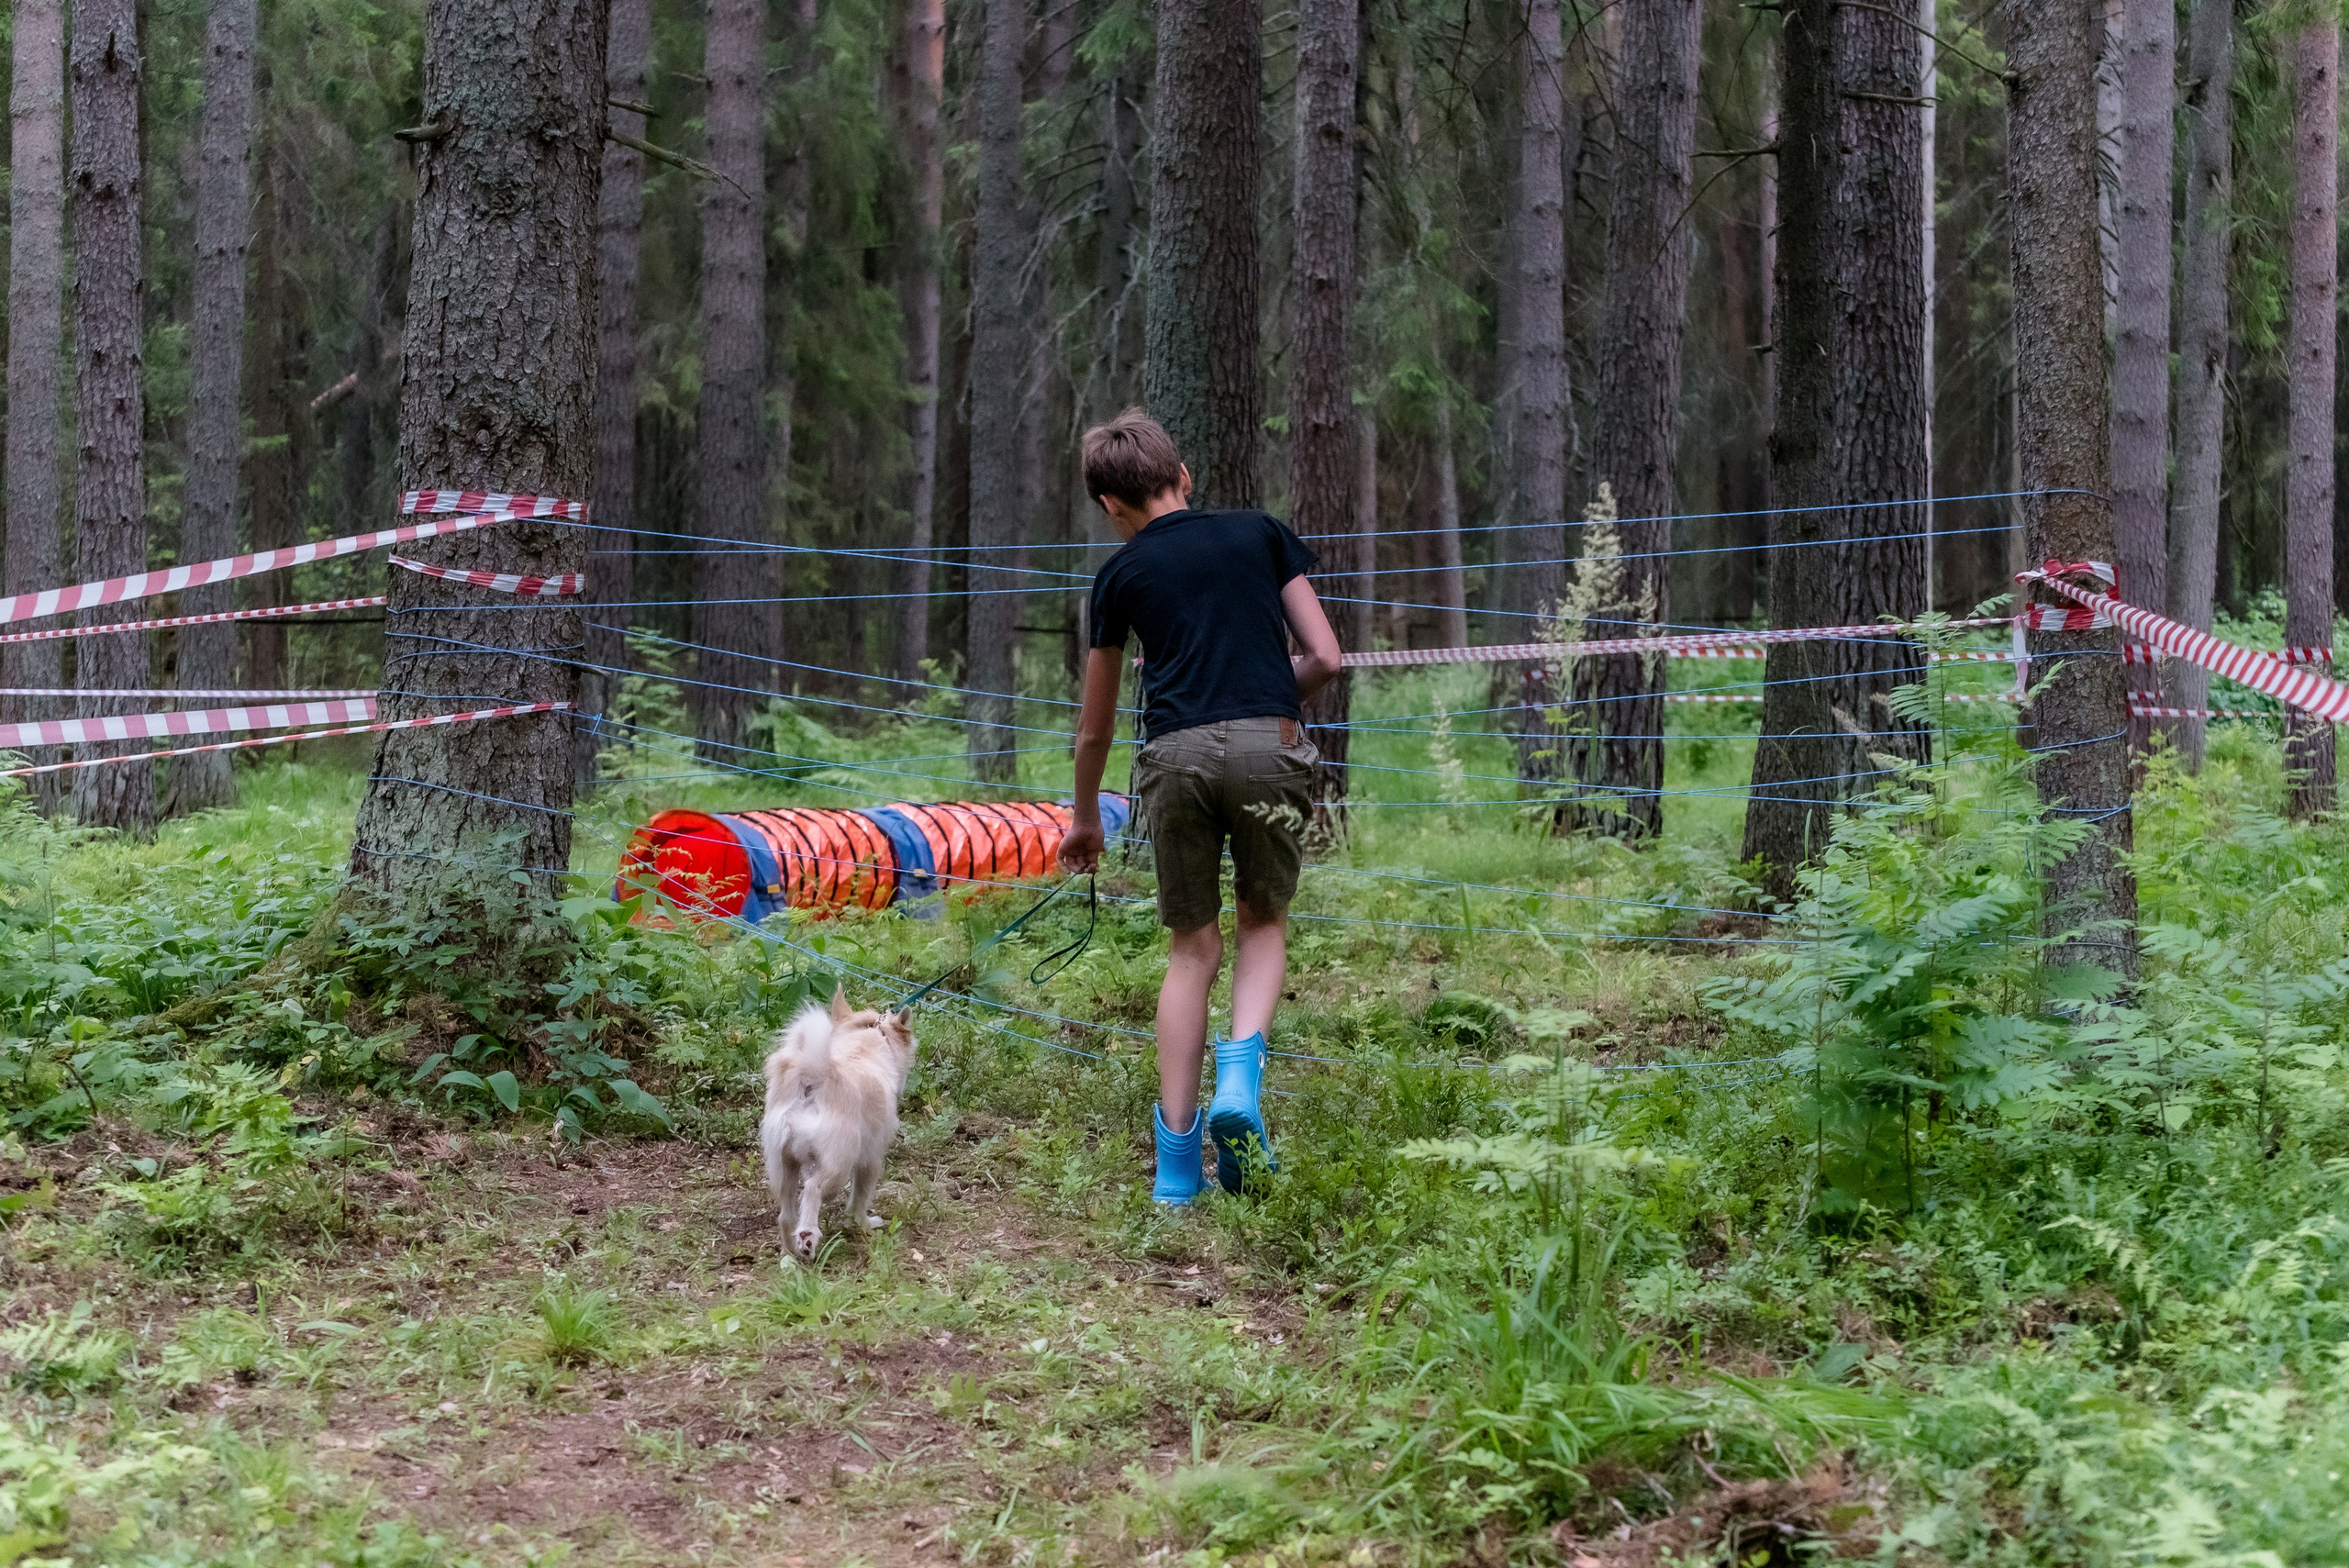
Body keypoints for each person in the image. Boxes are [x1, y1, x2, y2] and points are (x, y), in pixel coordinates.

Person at [1056, 409, 1344, 1205]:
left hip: (1173, 755)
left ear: (1111, 507)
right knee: (1262, 921)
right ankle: (1239, 1087)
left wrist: (1085, 817)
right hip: (1270, 744)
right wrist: (1266, 699)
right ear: (1183, 477)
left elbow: (1096, 724)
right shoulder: (1260, 532)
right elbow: (1326, 654)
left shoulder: (1118, 576)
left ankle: (1177, 1170)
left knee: (1191, 950)